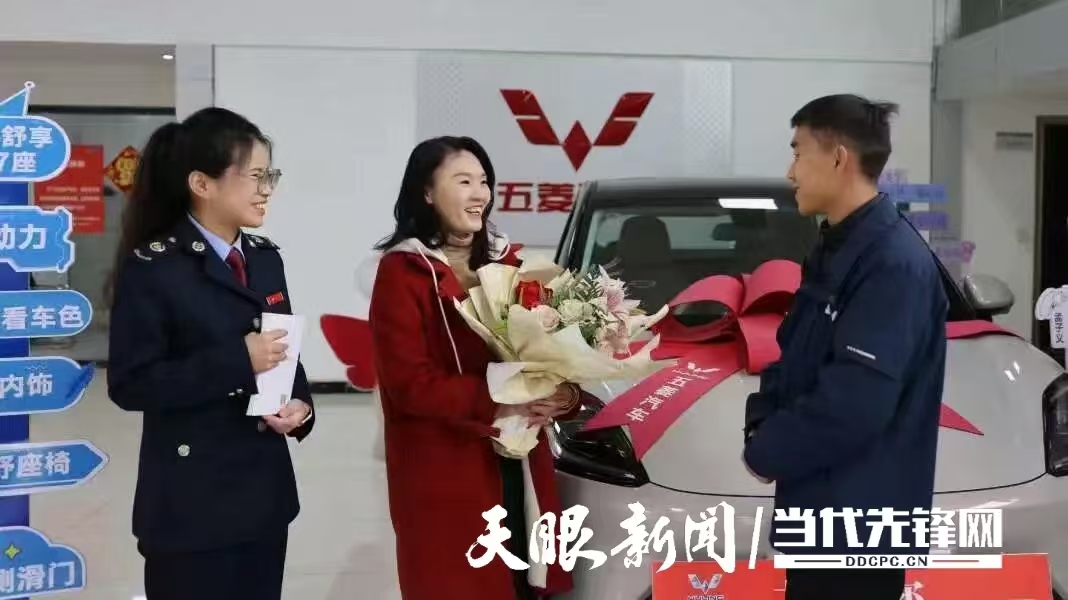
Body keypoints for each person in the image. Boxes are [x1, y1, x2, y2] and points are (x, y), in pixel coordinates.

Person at [741, 95, 948, 600]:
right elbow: (794, 352)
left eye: (798, 153)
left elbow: (854, 402)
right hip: (822, 512)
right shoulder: (837, 246)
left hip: (859, 525)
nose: (790, 172)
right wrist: (760, 421)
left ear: (838, 158)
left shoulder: (891, 263)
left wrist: (766, 451)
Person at [106, 107, 315, 600]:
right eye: (255, 176)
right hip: (191, 505)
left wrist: (300, 405)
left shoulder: (264, 259)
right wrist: (237, 361)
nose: (266, 189)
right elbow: (132, 384)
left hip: (263, 496)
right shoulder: (154, 268)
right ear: (202, 183)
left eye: (270, 176)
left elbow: (282, 351)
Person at [370, 136, 580, 599]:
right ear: (427, 192)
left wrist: (564, 396)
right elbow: (408, 385)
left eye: (484, 181)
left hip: (519, 461)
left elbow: (553, 358)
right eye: (463, 181)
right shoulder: (403, 273)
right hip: (446, 471)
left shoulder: (513, 263)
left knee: (523, 579)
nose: (479, 193)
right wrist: (503, 395)